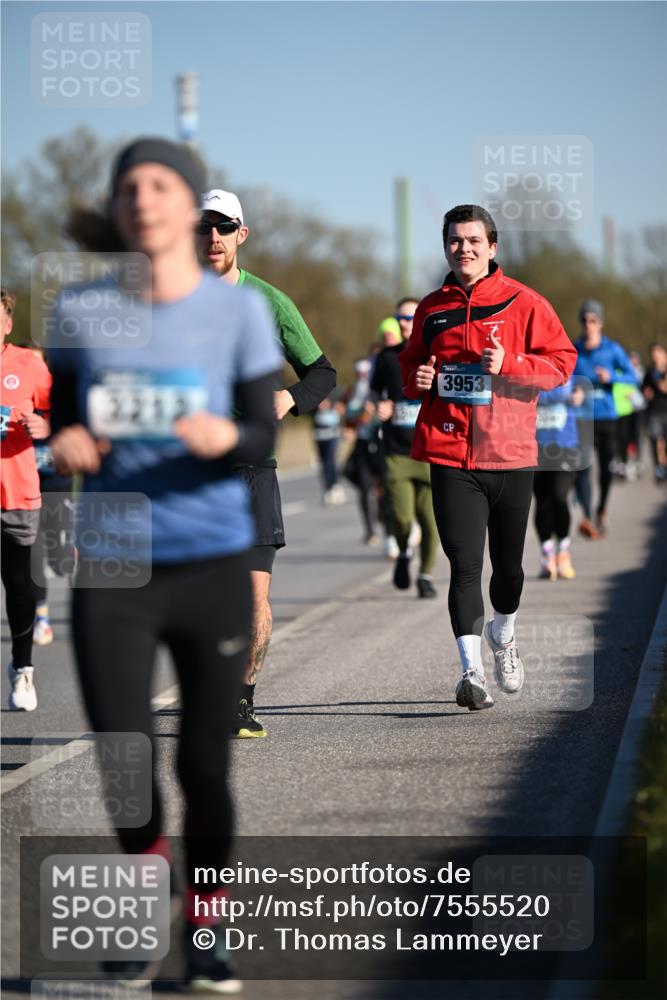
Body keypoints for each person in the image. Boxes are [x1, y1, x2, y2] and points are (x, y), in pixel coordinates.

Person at [49, 138, 282, 991]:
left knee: (204, 765)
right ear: (116, 210)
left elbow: (264, 429)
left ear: (187, 206)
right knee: (123, 749)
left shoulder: (238, 314)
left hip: (212, 558)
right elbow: (71, 426)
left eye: (160, 185)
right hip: (113, 562)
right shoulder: (79, 311)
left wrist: (231, 437)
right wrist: (66, 446)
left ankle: (206, 929)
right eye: (128, 188)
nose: (143, 198)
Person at [399, 204, 577, 711]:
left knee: (510, 572)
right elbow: (410, 367)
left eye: (474, 241)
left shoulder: (525, 302)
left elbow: (562, 364)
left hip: (510, 454)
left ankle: (505, 632)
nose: (465, 249)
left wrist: (512, 363)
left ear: (493, 247)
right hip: (450, 452)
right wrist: (419, 381)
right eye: (455, 241)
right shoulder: (431, 309)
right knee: (463, 565)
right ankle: (471, 673)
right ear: (446, 247)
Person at [197, 189, 336, 739]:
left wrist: (291, 398)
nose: (212, 238)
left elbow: (323, 372)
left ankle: (239, 701)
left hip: (254, 469)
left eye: (223, 227)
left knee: (255, 595)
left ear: (241, 235)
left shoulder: (270, 303)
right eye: (203, 227)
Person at [1, 288, 52, 710]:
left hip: (16, 493)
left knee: (19, 587)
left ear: (7, 322)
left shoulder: (28, 365)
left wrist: (44, 425)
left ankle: (23, 670)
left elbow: (60, 410)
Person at [371, 300, 438, 598]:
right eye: (400, 317)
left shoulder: (434, 354)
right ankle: (403, 552)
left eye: (410, 317)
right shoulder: (386, 357)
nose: (404, 323)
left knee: (431, 520)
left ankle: (425, 575)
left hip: (429, 451)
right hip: (396, 453)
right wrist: (378, 407)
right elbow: (372, 394)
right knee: (401, 518)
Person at [573, 300, 638, 537]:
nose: (588, 325)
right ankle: (587, 517)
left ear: (600, 323)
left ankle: (601, 508)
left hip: (607, 417)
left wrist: (612, 376)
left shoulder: (613, 350)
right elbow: (564, 378)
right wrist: (574, 391)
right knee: (582, 467)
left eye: (593, 320)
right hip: (582, 417)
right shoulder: (574, 349)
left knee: (605, 469)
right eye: (585, 320)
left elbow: (634, 377)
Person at [533, 379, 585, 580]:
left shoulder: (568, 365)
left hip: (565, 445)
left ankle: (563, 551)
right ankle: (547, 555)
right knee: (542, 501)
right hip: (535, 445)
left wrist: (579, 395)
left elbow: (581, 388)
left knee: (560, 497)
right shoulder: (528, 364)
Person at [342, 356, 384, 545]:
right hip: (363, 444)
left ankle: (389, 524)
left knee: (387, 487)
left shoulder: (379, 387)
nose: (361, 376)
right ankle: (370, 530)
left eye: (365, 373)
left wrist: (374, 411)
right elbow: (348, 414)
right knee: (363, 486)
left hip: (382, 443)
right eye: (358, 373)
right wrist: (357, 416)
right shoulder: (354, 391)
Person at [312, 393, 345, 506]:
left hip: (332, 436)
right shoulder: (313, 393)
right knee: (323, 464)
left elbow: (342, 408)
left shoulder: (336, 393)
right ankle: (327, 488)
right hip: (320, 437)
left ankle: (335, 486)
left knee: (330, 462)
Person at [642, 341, 667, 482]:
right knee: (655, 439)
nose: (655, 357)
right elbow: (643, 387)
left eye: (658, 353)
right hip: (654, 411)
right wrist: (646, 392)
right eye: (653, 354)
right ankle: (659, 468)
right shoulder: (650, 371)